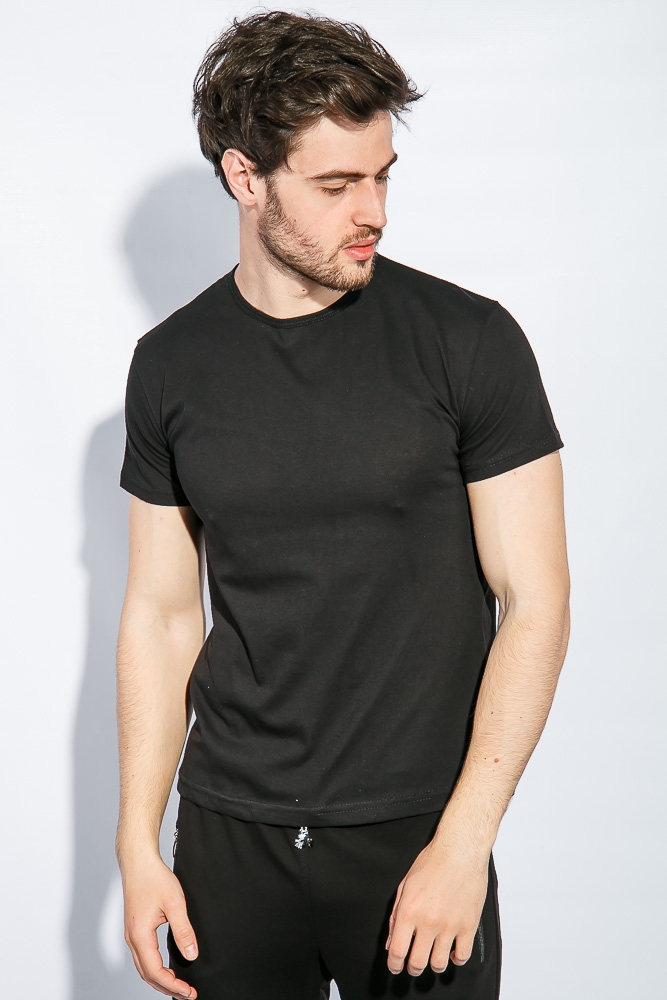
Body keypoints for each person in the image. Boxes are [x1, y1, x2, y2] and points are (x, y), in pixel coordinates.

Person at [115, 11, 570, 1000]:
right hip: (229, 838)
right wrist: (137, 846)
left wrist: (464, 843)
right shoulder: (170, 365)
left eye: (381, 177)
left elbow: (534, 604)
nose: (373, 211)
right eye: (334, 186)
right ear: (245, 178)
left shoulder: (469, 342)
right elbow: (160, 612)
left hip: (414, 839)